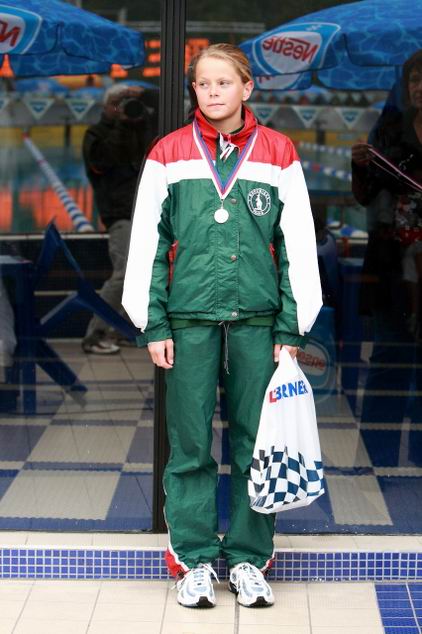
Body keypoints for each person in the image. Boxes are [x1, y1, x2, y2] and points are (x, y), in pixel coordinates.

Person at [123, 44, 322, 608]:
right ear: (195, 90)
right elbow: (149, 241)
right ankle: (192, 560)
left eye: (223, 83)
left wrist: (291, 327)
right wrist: (153, 321)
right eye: (203, 84)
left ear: (247, 88)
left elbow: (297, 244)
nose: (212, 92)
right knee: (190, 446)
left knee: (258, 444)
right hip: (187, 322)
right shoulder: (169, 152)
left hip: (259, 324)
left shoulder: (278, 152)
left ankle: (249, 559)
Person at [351, 50, 422, 423]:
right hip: (392, 266)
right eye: (415, 79)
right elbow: (365, 196)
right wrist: (360, 165)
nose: (419, 87)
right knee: (388, 358)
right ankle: (376, 449)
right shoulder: (389, 129)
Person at [82, 83, 157, 354]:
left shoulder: (142, 127)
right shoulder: (96, 134)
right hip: (119, 214)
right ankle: (96, 333)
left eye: (124, 102)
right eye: (116, 103)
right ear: (105, 107)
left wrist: (143, 97)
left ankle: (124, 329)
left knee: (147, 274)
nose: (122, 107)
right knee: (123, 274)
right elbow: (104, 162)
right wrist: (122, 125)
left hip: (144, 212)